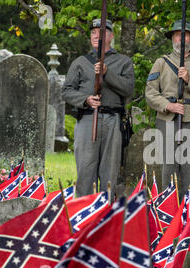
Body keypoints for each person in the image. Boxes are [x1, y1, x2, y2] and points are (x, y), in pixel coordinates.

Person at [145, 20, 190, 206]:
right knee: (168, 167)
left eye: (185, 35)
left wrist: (189, 80)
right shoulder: (161, 62)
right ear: (172, 38)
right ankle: (167, 213)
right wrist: (168, 106)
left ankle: (189, 215)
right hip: (166, 119)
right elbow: (150, 92)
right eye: (177, 34)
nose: (181, 39)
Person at [62, 19, 135, 198]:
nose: (96, 36)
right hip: (87, 119)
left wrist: (107, 73)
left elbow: (128, 89)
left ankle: (106, 215)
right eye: (93, 33)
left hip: (112, 120)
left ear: (110, 36)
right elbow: (66, 91)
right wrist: (85, 99)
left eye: (101, 32)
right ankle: (84, 215)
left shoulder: (123, 61)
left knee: (109, 171)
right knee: (85, 170)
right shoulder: (80, 62)